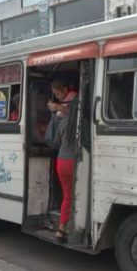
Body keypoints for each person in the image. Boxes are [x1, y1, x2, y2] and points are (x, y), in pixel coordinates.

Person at [48, 80, 78, 243]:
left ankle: (63, 228)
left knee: (67, 195)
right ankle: (64, 228)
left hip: (61, 161)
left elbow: (56, 142)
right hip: (74, 162)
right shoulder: (81, 125)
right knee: (73, 196)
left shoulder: (62, 123)